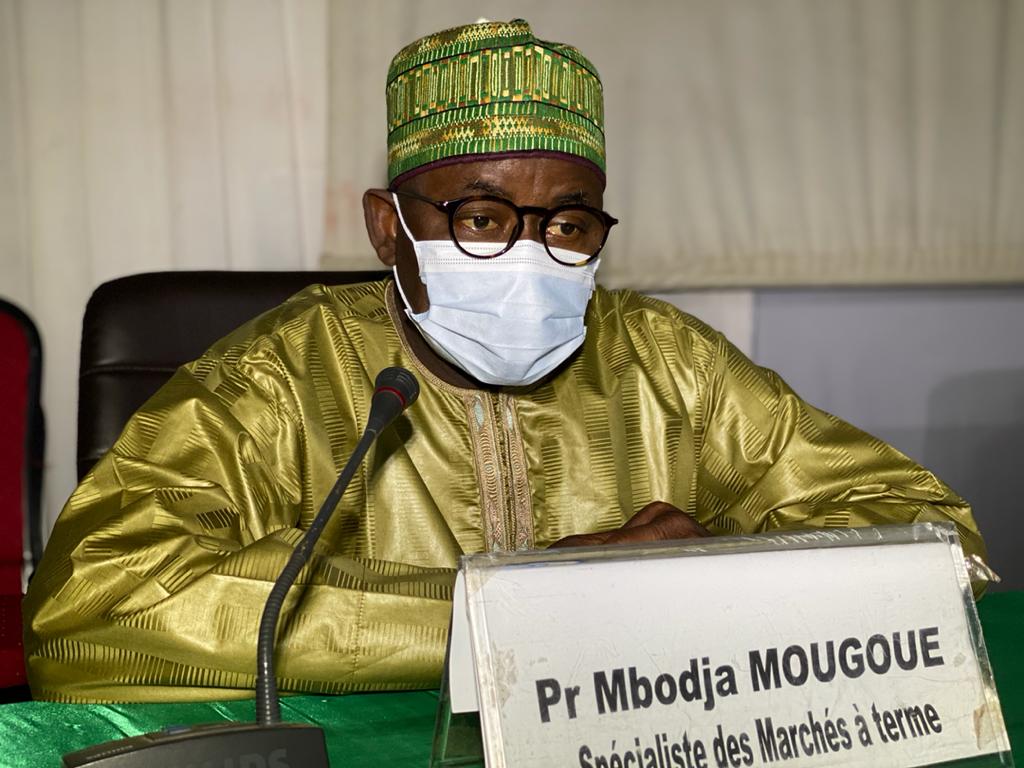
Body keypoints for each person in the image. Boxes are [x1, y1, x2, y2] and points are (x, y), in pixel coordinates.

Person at [23, 19, 985, 703]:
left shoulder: (666, 364)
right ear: (387, 226)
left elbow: (941, 544)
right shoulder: (280, 378)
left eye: (567, 222)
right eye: (481, 217)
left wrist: (697, 584)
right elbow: (90, 608)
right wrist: (506, 608)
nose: (531, 252)